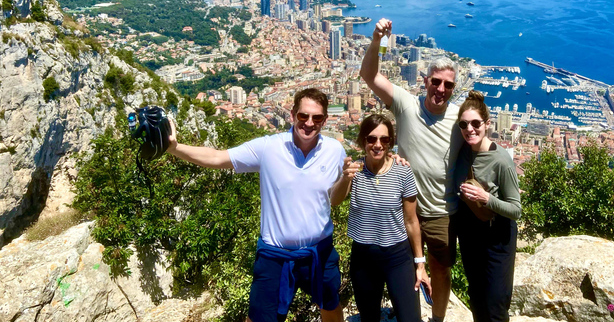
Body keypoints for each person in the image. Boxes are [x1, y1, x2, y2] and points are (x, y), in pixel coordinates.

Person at [166, 88, 345, 322]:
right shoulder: (269, 148)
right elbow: (217, 158)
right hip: (274, 255)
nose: (309, 123)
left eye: (317, 118)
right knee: (260, 317)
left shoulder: (335, 151)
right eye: (303, 116)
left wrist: (393, 161)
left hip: (319, 251)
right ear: (292, 115)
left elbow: (339, 193)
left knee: (331, 306)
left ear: (324, 120)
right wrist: (173, 148)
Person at [360, 18, 463, 322]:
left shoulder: (460, 118)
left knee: (441, 270)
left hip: (443, 211)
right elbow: (368, 74)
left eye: (448, 85)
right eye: (436, 81)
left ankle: (439, 319)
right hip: (405, 209)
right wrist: (378, 38)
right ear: (425, 79)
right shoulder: (406, 103)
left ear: (453, 88)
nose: (441, 89)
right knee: (406, 269)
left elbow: (480, 148)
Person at [330, 114, 431, 322]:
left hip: (398, 257)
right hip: (363, 257)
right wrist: (344, 178)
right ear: (363, 141)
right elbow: (335, 200)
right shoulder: (354, 172)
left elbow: (412, 221)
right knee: (369, 318)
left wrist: (420, 264)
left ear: (390, 143)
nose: (378, 145)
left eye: (384, 140)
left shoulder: (403, 172)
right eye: (371, 139)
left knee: (410, 318)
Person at [454, 91, 521, 322]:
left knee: (495, 303)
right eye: (464, 124)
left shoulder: (501, 160)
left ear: (487, 124)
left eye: (475, 123)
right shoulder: (462, 150)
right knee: (477, 297)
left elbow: (516, 209)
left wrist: (487, 198)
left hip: (497, 236)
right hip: (470, 234)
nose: (469, 129)